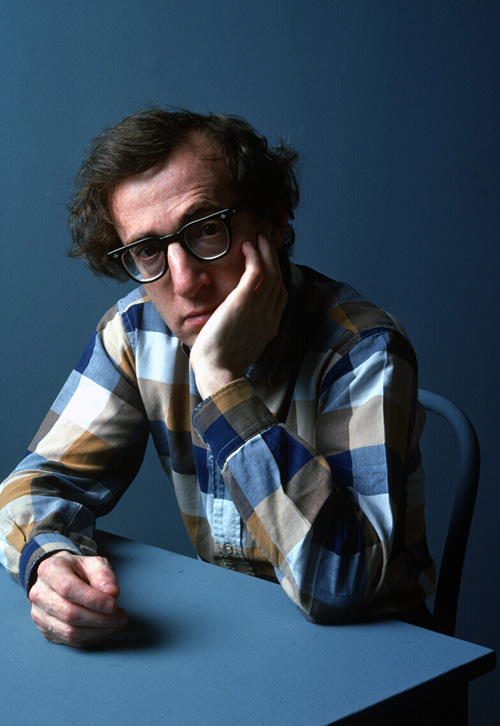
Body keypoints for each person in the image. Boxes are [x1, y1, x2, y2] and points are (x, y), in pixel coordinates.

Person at [0, 108, 435, 647]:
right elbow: (35, 484)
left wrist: (220, 378)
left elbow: (342, 584)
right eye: (148, 249)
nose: (183, 281)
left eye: (207, 229)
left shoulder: (362, 348)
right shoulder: (139, 333)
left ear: (273, 221)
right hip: (237, 641)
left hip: (386, 659)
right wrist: (51, 560)